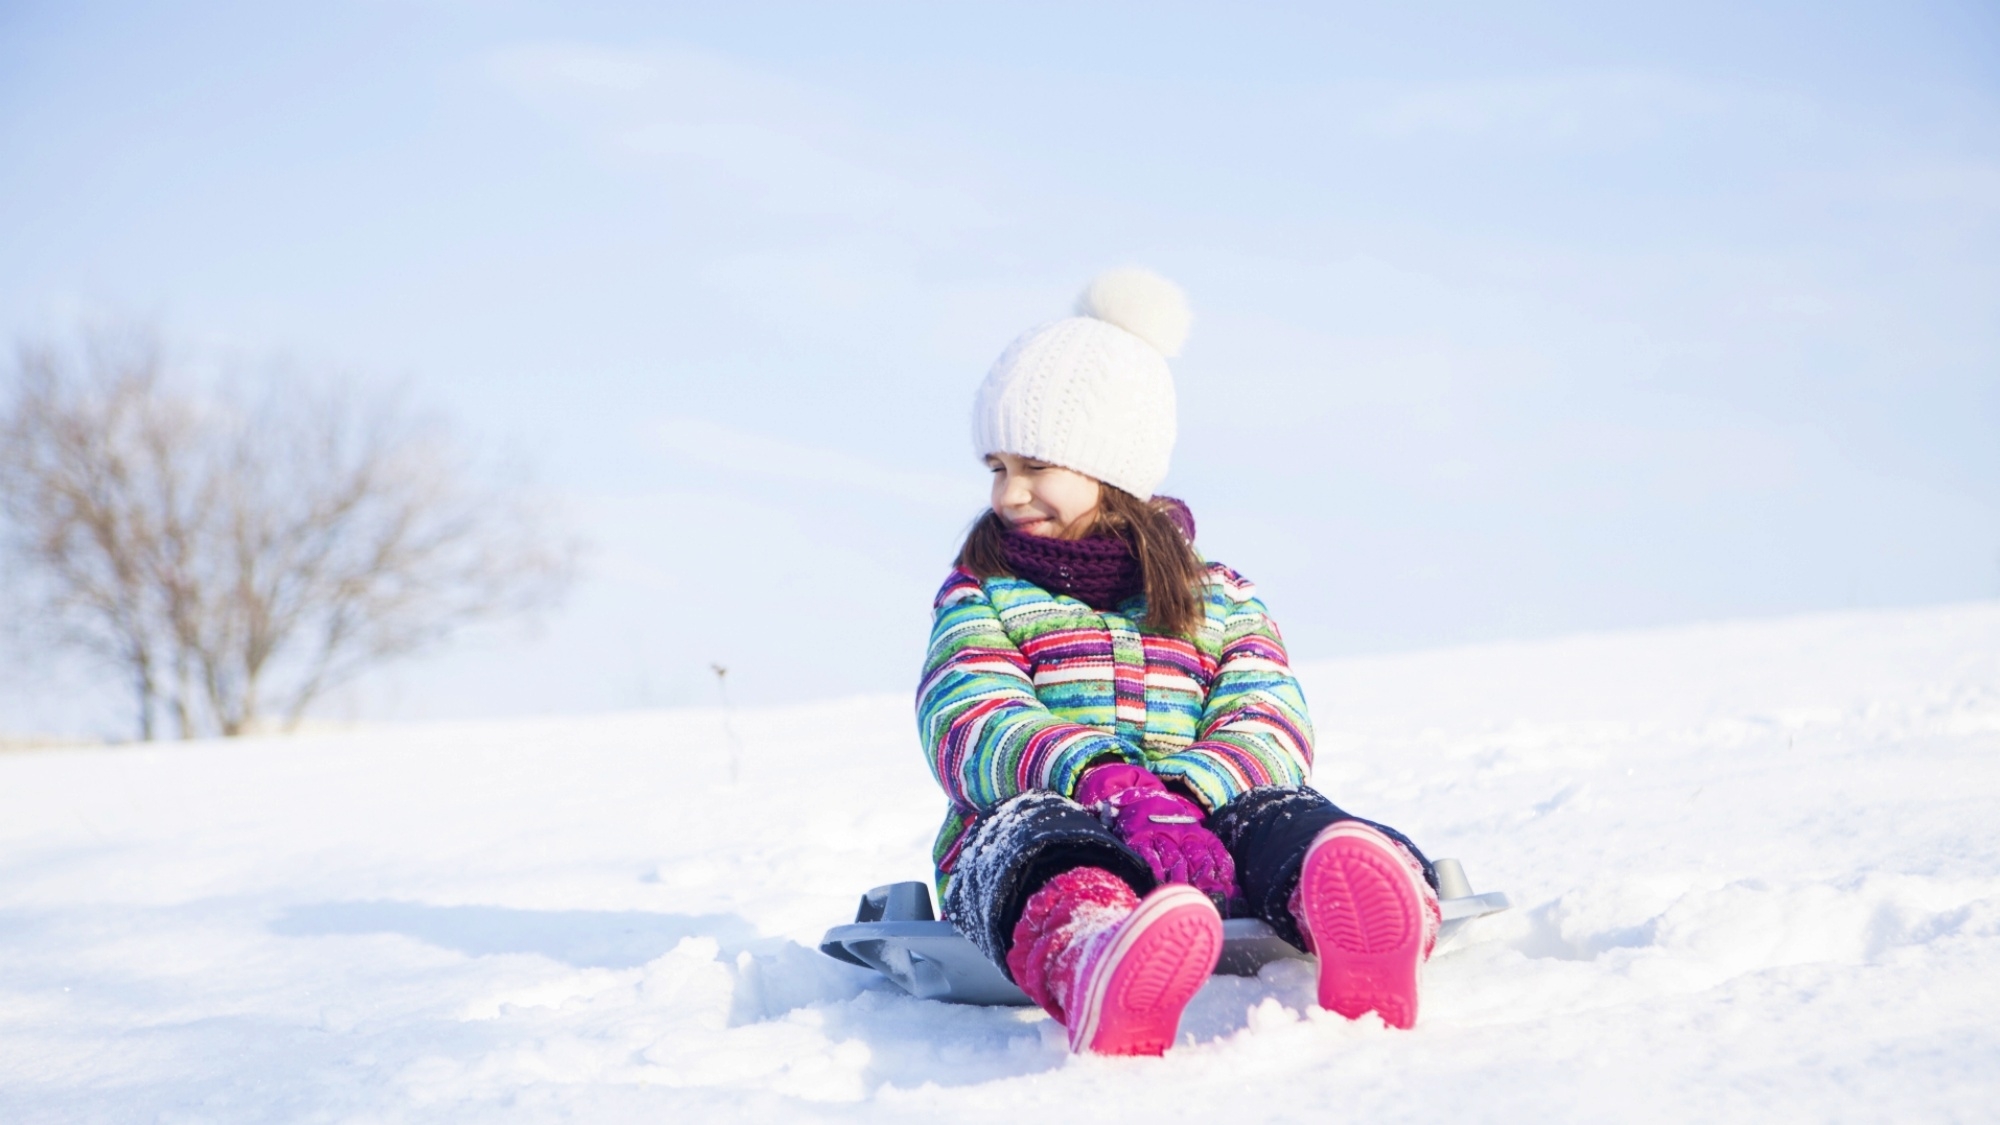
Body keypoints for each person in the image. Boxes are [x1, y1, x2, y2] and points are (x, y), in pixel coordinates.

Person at [916, 269, 1443, 1056]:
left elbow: (1267, 716)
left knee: (1284, 812)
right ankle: (1091, 952)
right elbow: (971, 714)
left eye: (1035, 465)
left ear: (1112, 467)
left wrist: (1194, 790)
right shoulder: (981, 593)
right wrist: (1101, 777)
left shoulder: (1218, 595)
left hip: (1204, 827)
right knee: (1034, 839)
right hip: (1055, 810)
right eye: (997, 467)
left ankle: (1358, 914)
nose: (1009, 493)